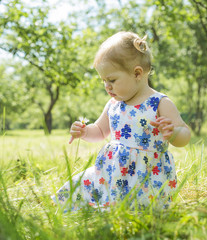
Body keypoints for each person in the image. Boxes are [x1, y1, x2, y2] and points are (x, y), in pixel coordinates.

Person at [52, 31, 191, 211]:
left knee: (135, 209)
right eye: (103, 80)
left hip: (146, 176)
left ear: (137, 73)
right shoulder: (113, 104)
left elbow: (184, 134)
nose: (107, 86)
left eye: (112, 80)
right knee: (85, 189)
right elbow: (100, 131)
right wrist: (85, 132)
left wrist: (174, 133)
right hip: (113, 173)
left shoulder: (159, 103)